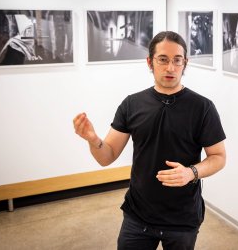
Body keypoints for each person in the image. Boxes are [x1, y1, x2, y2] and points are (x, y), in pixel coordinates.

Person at [73, 31, 226, 250]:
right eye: (163, 60)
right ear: (150, 62)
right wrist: (93, 139)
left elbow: (219, 157)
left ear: (185, 63)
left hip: (182, 219)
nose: (170, 68)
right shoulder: (132, 104)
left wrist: (191, 172)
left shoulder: (202, 107)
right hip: (138, 216)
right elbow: (106, 157)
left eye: (177, 60)